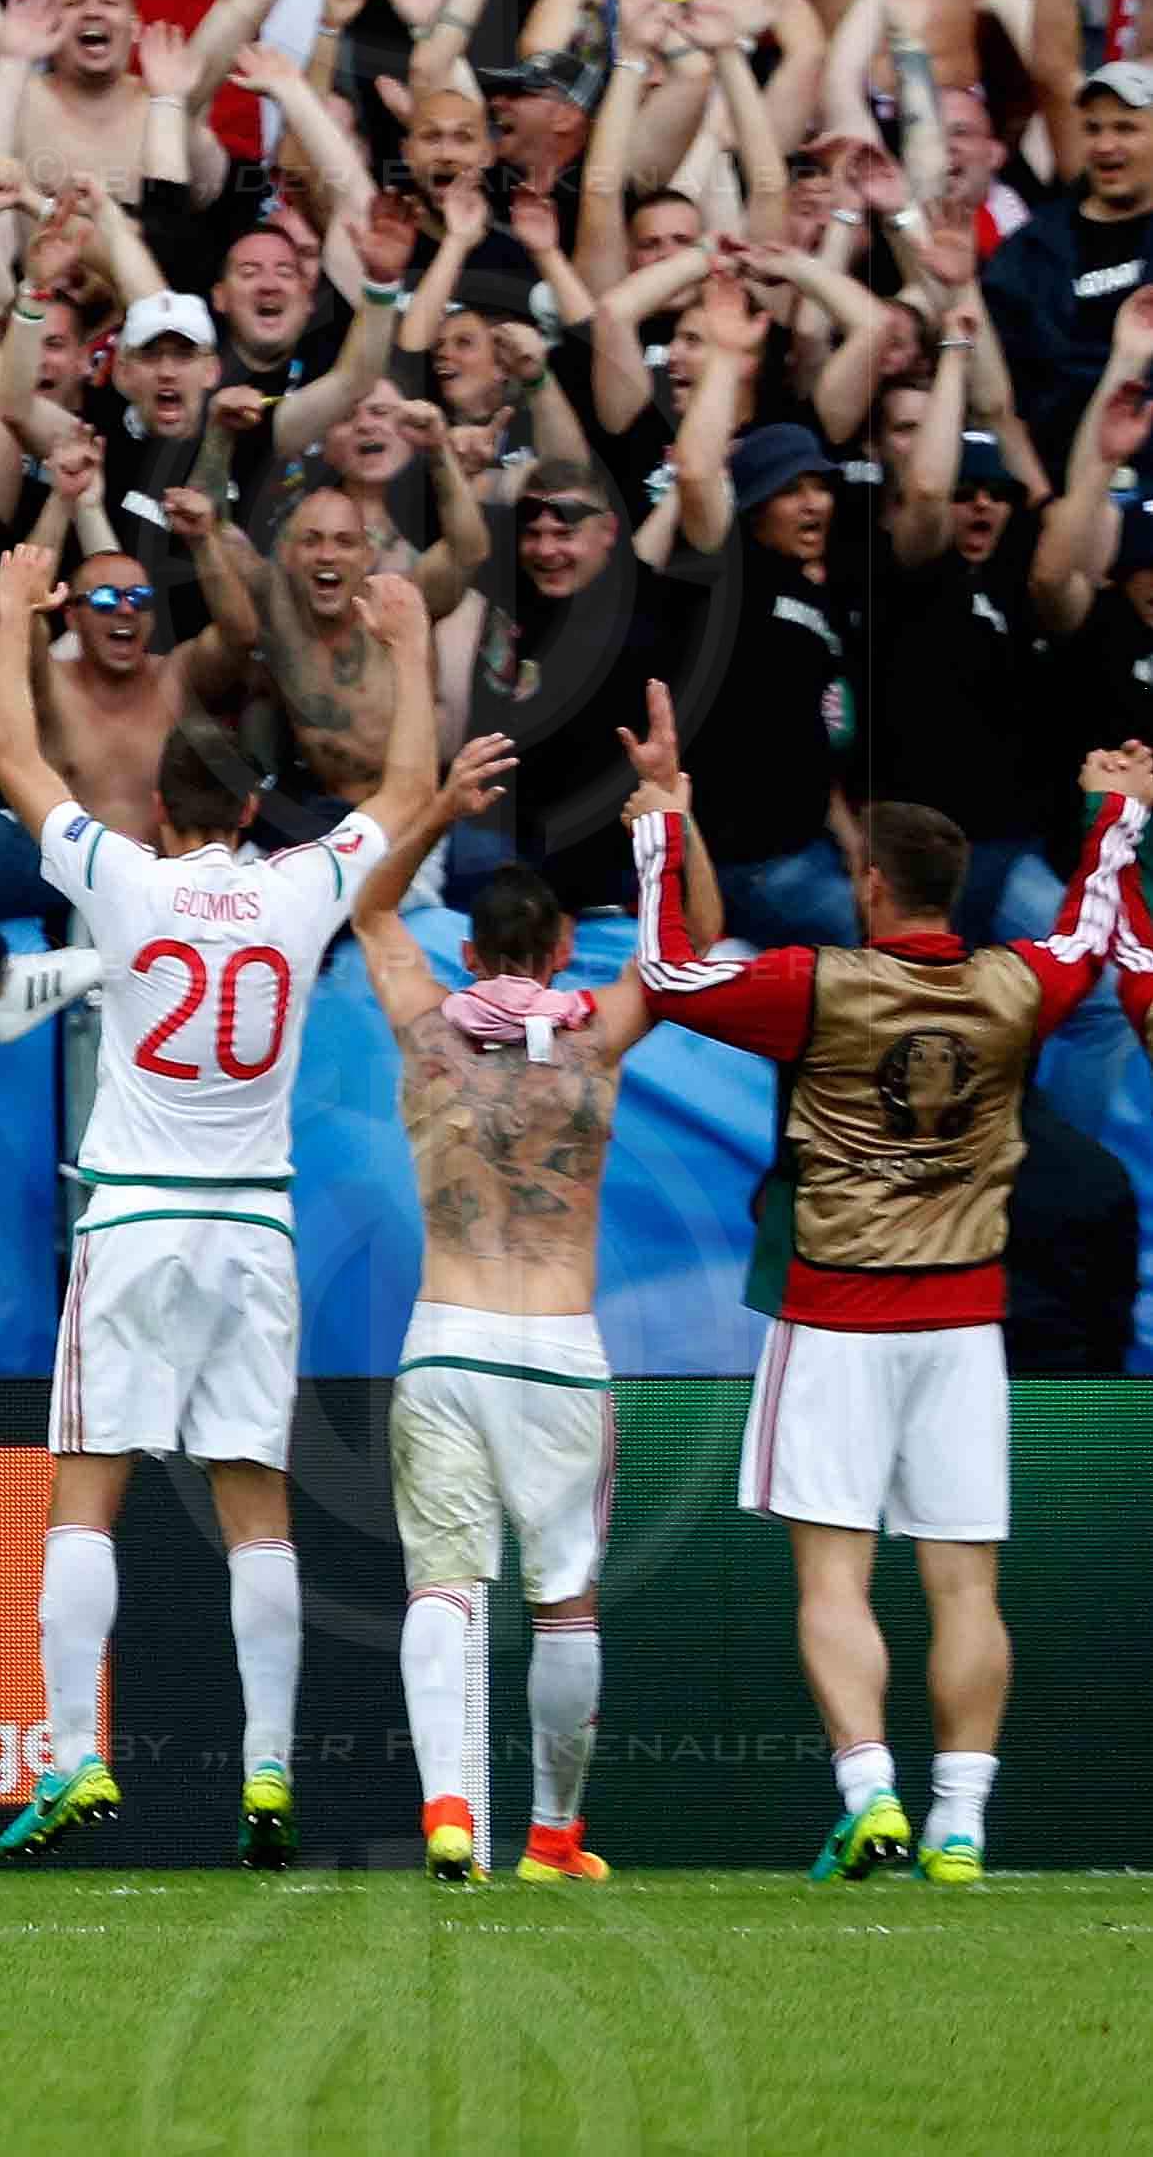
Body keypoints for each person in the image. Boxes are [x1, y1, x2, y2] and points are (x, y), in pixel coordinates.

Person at [0, 546, 453, 1871]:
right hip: (253, 1220)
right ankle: (262, 1770)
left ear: (156, 805)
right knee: (256, 1505)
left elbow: (12, 760)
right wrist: (406, 643)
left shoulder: (119, 879)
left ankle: (73, 1751)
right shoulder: (299, 886)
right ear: (248, 805)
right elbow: (406, 789)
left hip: (132, 1212)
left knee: (84, 1497)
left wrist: (15, 622)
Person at [644, 783, 1153, 1883]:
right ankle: (959, 1821)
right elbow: (1089, 926)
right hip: (964, 1324)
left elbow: (668, 973)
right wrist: (1114, 806)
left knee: (833, 1580)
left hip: (833, 1318)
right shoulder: (1016, 985)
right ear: (950, 886)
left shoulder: (812, 984)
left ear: (867, 883)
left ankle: (868, 1792)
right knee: (963, 1587)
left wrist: (657, 822)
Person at [342, 694, 711, 1884]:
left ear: (473, 953)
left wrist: (436, 807)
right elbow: (692, 943)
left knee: (441, 1586)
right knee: (561, 1600)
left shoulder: (423, 1030)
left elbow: (369, 904)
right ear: (560, 950)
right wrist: (675, 813)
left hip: (444, 1338)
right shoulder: (595, 1034)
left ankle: (446, 1805)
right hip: (557, 1347)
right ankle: (553, 1835)